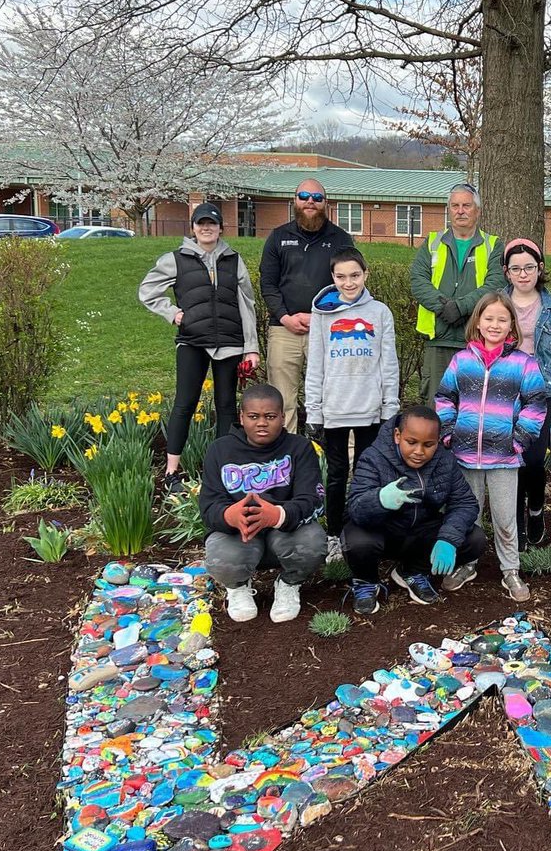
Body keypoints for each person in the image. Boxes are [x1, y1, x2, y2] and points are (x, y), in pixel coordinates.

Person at [138, 201, 260, 495]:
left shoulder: (234, 260)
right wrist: (173, 313)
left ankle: (221, 471)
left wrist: (251, 348)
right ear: (193, 228)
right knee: (185, 403)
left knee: (227, 406)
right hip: (192, 342)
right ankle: (171, 473)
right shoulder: (176, 259)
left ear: (220, 227)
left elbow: (247, 304)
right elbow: (147, 290)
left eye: (212, 223)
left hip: (230, 344)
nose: (206, 228)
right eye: (201, 223)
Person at [435, 292, 549, 603]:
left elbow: (536, 404)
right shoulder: (461, 361)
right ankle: (468, 563)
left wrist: (519, 440)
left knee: (504, 517)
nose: (494, 324)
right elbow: (445, 398)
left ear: (512, 324)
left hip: (504, 457)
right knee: (468, 514)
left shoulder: (523, 364)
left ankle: (510, 569)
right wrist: (448, 434)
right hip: (465, 455)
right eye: (489, 318)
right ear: (478, 322)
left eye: (502, 319)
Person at [199, 383, 327, 624]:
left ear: (282, 417)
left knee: (314, 542)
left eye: (270, 416)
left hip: (286, 532)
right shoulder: (220, 450)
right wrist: (230, 515)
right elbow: (208, 507)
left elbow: (314, 500)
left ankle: (289, 583)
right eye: (253, 416)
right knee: (219, 556)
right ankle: (238, 587)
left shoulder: (299, 447)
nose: (261, 423)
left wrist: (277, 515)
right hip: (240, 534)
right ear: (242, 417)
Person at [304, 248, 399, 563]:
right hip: (334, 408)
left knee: (366, 474)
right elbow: (315, 363)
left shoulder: (380, 313)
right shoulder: (322, 313)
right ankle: (333, 535)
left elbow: (389, 364)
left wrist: (390, 408)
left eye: (355, 275)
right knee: (337, 474)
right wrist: (313, 410)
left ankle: (362, 530)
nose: (348, 282)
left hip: (370, 409)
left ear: (366, 275)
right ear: (332, 277)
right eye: (341, 276)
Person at [344, 406, 486, 614]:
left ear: (437, 442)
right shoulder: (374, 457)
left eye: (428, 445)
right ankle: (365, 580)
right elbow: (355, 508)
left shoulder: (444, 461)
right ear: (397, 436)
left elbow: (464, 503)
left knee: (475, 539)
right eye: (411, 443)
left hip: (421, 532)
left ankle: (413, 571)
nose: (419, 452)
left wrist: (448, 538)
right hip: (383, 531)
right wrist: (380, 499)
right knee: (358, 541)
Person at [259, 178, 360, 431]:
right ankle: (286, 457)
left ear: (326, 203)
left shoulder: (341, 239)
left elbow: (348, 287)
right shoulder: (278, 237)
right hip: (284, 330)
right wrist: (285, 317)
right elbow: (268, 285)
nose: (310, 202)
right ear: (295, 200)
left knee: (335, 395)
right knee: (282, 399)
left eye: (317, 198)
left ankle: (341, 462)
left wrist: (322, 317)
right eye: (304, 196)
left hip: (329, 330)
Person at [501, 237, 551, 547]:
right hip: (505, 394)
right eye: (516, 268)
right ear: (507, 272)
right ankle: (514, 523)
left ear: (539, 269)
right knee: (511, 460)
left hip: (541, 395)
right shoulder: (496, 304)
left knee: (533, 460)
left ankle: (535, 510)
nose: (523, 274)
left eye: (529, 267)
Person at [410, 182, 506, 402]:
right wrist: (445, 307)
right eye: (454, 206)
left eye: (466, 205)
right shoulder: (432, 243)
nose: (460, 211)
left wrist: (460, 307)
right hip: (438, 341)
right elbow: (418, 281)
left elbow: (494, 284)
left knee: (473, 410)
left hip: (477, 341)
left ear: (478, 211)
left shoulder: (493, 245)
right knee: (436, 412)